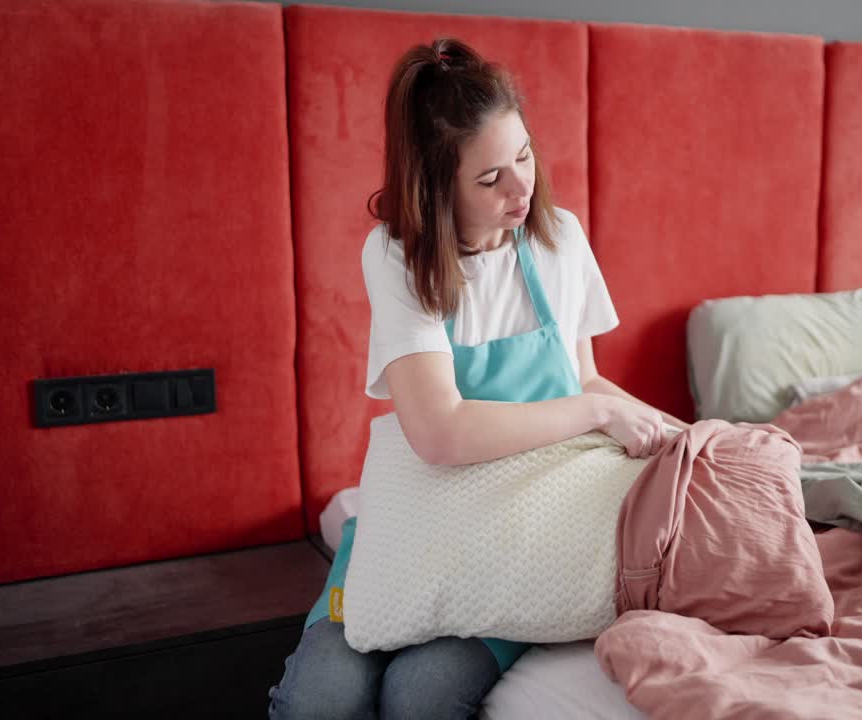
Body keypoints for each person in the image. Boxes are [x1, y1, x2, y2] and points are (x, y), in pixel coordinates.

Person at [268, 37, 690, 720]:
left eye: (524, 156)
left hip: (522, 535)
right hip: (419, 525)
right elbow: (438, 432)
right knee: (321, 700)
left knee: (421, 696)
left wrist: (692, 439)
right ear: (436, 185)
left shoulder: (560, 240)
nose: (522, 188)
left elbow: (587, 380)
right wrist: (588, 412)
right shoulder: (397, 255)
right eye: (490, 178)